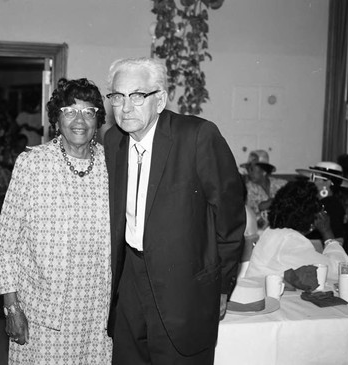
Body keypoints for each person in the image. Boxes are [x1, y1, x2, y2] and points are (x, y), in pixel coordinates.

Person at [103, 57, 245, 364]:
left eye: (137, 96)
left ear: (160, 100)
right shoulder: (113, 140)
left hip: (184, 287)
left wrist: (223, 286)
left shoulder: (197, 137)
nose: (125, 108)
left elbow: (230, 219)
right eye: (117, 96)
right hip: (128, 282)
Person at [0, 78, 112, 364]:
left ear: (98, 120)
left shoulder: (113, 166)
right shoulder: (32, 164)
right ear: (57, 120)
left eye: (88, 111)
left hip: (96, 312)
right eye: (69, 110)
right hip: (43, 312)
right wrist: (12, 309)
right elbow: (4, 243)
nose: (79, 119)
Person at [244, 180, 348, 281]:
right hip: (263, 296)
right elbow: (337, 271)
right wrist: (327, 233)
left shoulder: (271, 232)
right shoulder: (292, 241)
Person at [296, 161, 348, 254]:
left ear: (327, 183)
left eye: (314, 177)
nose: (309, 181)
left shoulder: (332, 206)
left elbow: (338, 241)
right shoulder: (320, 203)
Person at [241, 150, 287, 229]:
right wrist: (277, 199)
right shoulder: (247, 188)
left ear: (264, 171)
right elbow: (259, 207)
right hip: (258, 231)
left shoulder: (281, 184)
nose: (249, 173)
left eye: (252, 169)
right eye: (248, 170)